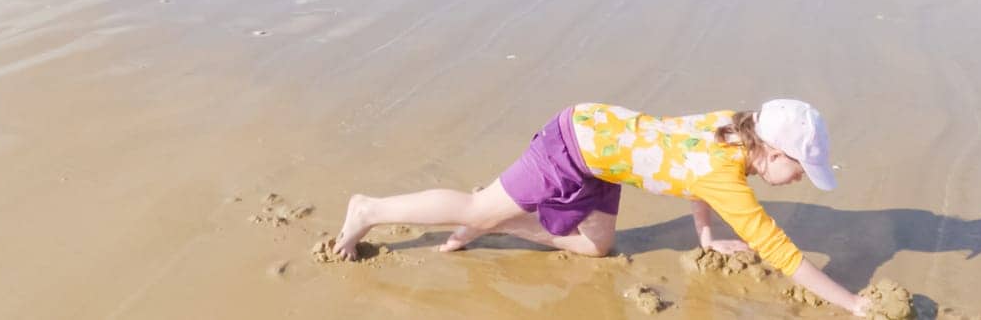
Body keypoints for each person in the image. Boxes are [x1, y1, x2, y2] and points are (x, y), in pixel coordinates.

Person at [332, 99, 870, 316]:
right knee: (474, 207)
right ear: (771, 151)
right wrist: (852, 305)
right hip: (570, 144)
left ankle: (499, 217)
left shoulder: (735, 127)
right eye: (798, 168)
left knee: (597, 248)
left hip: (603, 157)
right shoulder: (727, 173)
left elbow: (692, 174)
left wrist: (705, 238)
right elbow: (776, 248)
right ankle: (370, 209)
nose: (798, 178)